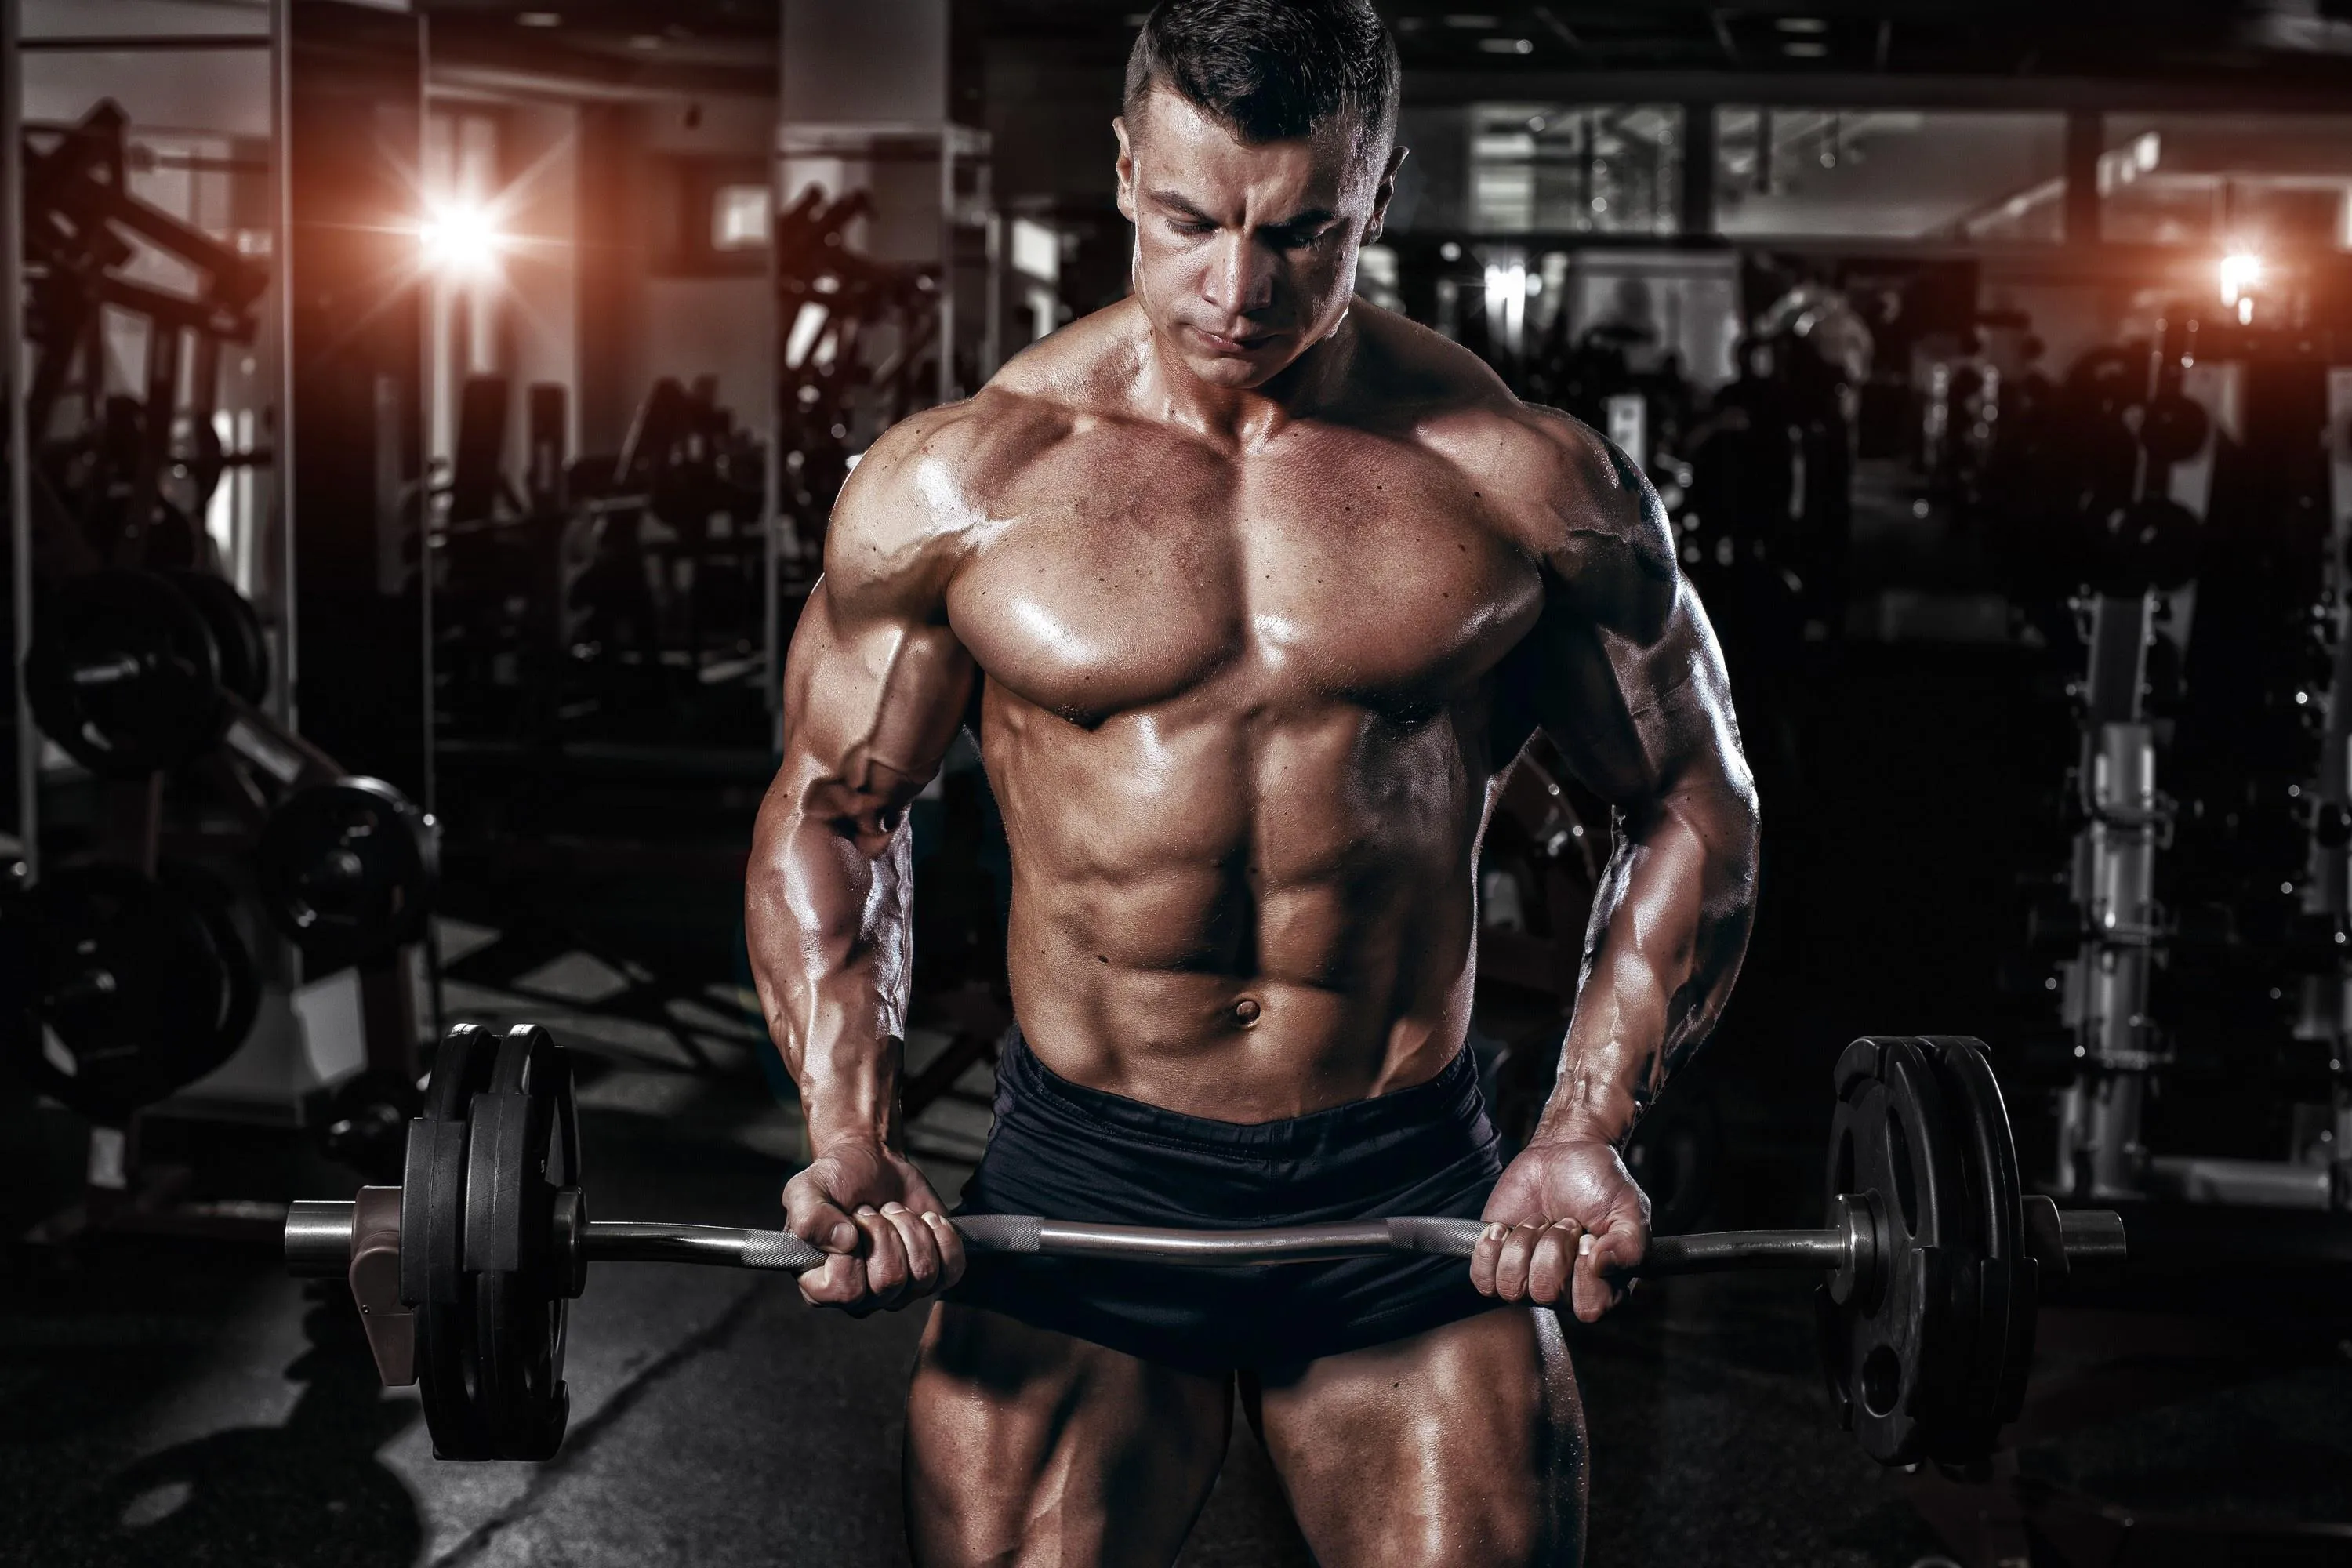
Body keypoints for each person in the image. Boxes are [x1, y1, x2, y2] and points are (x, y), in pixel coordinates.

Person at [744, 2, 1759, 1561]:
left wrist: (1586, 1122)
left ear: (1385, 189)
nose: (1237, 287)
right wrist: (845, 1122)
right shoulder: (961, 486)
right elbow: (834, 807)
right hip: (1088, 1180)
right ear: (1124, 167)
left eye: (1304, 232)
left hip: (1405, 1187)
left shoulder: (1519, 479)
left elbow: (1691, 797)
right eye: (1189, 220)